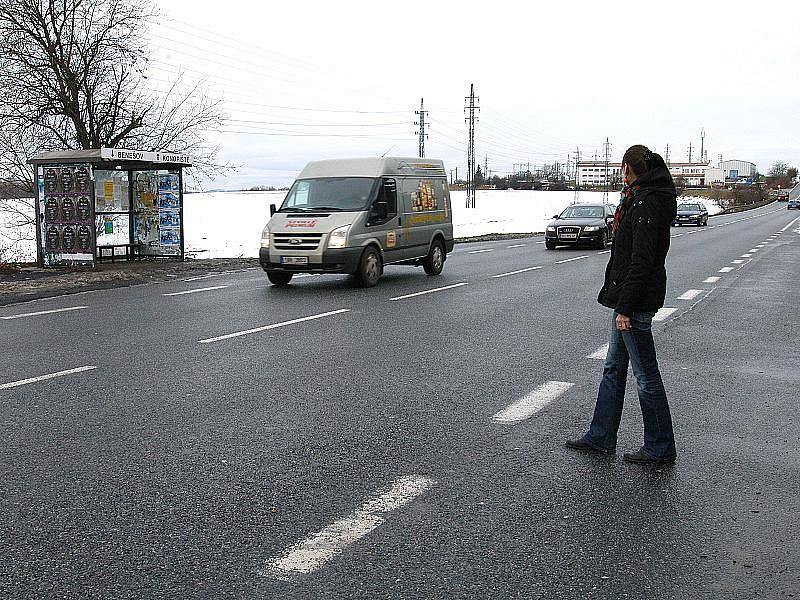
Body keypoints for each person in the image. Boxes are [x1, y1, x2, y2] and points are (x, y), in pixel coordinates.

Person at [566, 145, 678, 464]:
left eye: (622, 168)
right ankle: (601, 436)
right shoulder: (640, 198)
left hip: (636, 302)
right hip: (628, 298)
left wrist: (626, 309)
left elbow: (642, 261)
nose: (620, 174)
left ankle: (660, 445)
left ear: (629, 169)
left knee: (645, 375)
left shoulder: (646, 203)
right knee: (613, 368)